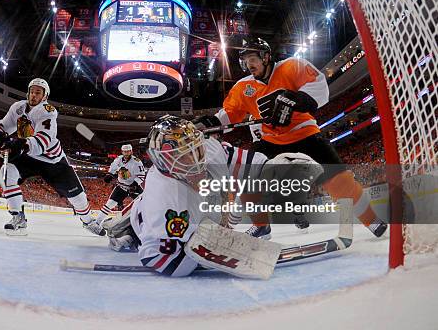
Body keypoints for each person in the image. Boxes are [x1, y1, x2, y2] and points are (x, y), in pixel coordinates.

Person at [193, 37, 387, 238]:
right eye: (245, 60)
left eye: (253, 58)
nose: (249, 64)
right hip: (270, 140)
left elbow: (319, 84)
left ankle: (372, 220)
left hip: (305, 133)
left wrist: (296, 99)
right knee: (247, 179)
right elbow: (230, 113)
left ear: (266, 57)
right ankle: (261, 226)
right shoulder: (243, 87)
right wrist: (211, 123)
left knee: (338, 179)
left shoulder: (291, 67)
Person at [105, 115, 321, 277]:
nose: (195, 159)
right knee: (204, 222)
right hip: (161, 228)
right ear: (163, 162)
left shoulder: (210, 149)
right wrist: (211, 253)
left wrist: (281, 171)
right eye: (183, 156)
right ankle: (131, 234)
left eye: (195, 149)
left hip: (195, 216)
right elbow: (161, 260)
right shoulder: (168, 200)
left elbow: (254, 166)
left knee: (224, 203)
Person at [0, 78, 105, 236]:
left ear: (45, 96)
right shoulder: (18, 108)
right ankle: (18, 217)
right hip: (29, 155)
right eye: (32, 91)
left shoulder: (47, 111)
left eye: (38, 92)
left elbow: (44, 140)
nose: (33, 95)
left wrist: (20, 145)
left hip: (52, 159)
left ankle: (88, 221)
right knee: (7, 171)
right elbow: (4, 124)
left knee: (78, 197)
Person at [95, 144, 145, 226]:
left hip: (134, 187)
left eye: (128, 151)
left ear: (131, 151)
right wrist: (110, 174)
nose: (126, 153)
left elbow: (141, 175)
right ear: (122, 152)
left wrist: (135, 184)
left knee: (143, 204)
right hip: (121, 186)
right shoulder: (118, 159)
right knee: (109, 204)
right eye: (125, 152)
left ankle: (146, 223)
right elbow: (113, 167)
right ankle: (97, 223)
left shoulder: (137, 162)